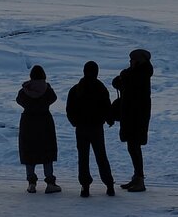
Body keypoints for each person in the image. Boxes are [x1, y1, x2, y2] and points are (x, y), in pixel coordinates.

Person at [65, 60, 116, 197]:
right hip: (96, 128)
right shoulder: (100, 88)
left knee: (83, 158)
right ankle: (109, 185)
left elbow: (69, 109)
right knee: (101, 156)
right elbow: (107, 107)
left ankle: (85, 186)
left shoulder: (76, 89)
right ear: (97, 72)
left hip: (81, 128)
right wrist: (109, 119)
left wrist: (75, 122)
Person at [112, 48, 153, 192]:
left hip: (137, 116)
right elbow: (118, 82)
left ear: (138, 60)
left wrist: (124, 75)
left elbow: (124, 82)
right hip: (133, 115)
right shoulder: (137, 73)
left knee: (134, 146)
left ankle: (140, 179)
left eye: (132, 59)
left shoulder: (140, 74)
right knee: (132, 146)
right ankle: (137, 177)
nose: (130, 62)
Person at [16, 65, 60, 193]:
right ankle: (50, 182)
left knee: (29, 151)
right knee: (47, 152)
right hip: (45, 121)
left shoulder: (24, 90)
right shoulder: (47, 90)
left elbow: (19, 99)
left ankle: (31, 183)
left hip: (28, 122)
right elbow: (53, 98)